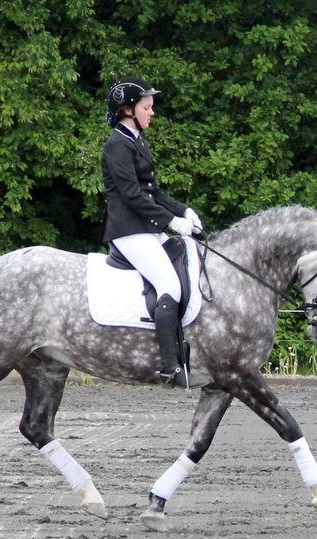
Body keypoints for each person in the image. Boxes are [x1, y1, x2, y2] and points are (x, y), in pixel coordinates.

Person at [101, 76, 206, 388]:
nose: (152, 112)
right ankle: (169, 367)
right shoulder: (117, 145)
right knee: (169, 286)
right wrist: (171, 223)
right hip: (128, 230)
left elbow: (154, 192)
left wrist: (183, 211)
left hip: (145, 227)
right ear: (128, 110)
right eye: (147, 107)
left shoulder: (136, 140)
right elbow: (133, 195)